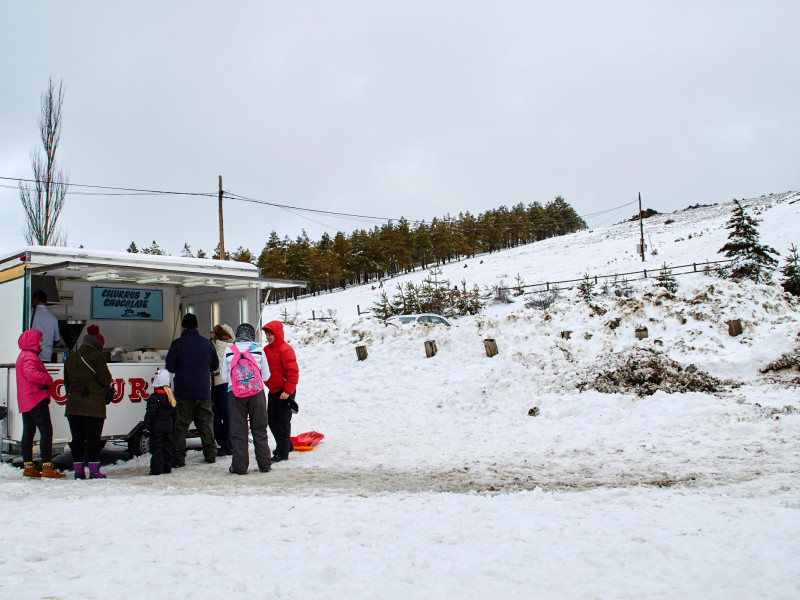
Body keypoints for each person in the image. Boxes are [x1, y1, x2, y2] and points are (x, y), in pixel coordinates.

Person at [165, 313, 219, 467]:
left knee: (181, 426)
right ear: (196, 327)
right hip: (203, 390)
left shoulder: (177, 344)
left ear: (183, 327)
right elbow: (215, 366)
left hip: (184, 392)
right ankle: (210, 455)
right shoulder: (207, 344)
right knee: (206, 424)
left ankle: (178, 458)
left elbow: (170, 367)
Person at [220, 323, 271, 475]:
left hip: (235, 394)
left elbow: (224, 376)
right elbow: (266, 376)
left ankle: (239, 467)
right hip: (256, 394)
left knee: (238, 431)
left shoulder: (229, 351)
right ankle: (265, 464)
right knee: (259, 429)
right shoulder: (259, 351)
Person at [64, 324, 112, 479]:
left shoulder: (71, 357)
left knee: (77, 439)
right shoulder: (97, 356)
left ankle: (78, 471)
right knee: (93, 439)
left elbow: (67, 382)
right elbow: (105, 379)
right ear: (98, 344)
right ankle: (94, 471)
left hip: (73, 406)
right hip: (93, 406)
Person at [16, 330, 65, 478]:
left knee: (28, 433)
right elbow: (31, 373)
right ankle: (47, 467)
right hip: (36, 398)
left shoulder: (22, 355)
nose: (42, 343)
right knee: (46, 431)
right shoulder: (30, 356)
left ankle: (28, 466)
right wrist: (47, 379)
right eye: (40, 340)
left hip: (25, 400)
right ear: (32, 341)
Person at [261, 320, 299, 463]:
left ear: (277, 334)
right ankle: (287, 445)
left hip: (284, 391)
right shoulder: (266, 350)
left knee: (282, 422)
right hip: (273, 390)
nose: (268, 337)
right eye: (267, 334)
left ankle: (282, 453)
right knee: (271, 420)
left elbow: (293, 373)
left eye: (270, 334)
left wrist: (287, 391)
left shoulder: (286, 350)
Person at [143, 368, 176, 475]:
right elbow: (175, 414)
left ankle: (156, 469)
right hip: (169, 426)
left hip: (157, 427)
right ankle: (167, 468)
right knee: (168, 447)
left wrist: (147, 426)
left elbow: (150, 414)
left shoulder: (154, 398)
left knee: (157, 448)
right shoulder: (171, 398)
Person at [211, 323, 235, 456]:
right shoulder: (233, 348)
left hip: (216, 383)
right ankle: (228, 444)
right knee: (228, 416)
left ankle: (224, 443)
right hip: (228, 384)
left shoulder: (214, 347)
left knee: (216, 415)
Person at [30, 290, 61, 362]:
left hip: (31, 357)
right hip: (46, 357)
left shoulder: (29, 315)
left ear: (33, 301)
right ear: (46, 301)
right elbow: (56, 339)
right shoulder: (53, 318)